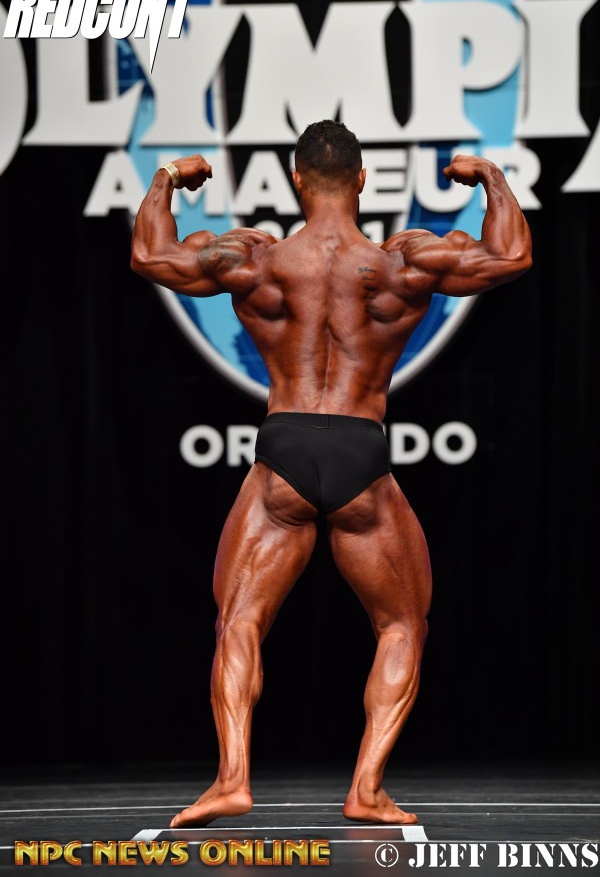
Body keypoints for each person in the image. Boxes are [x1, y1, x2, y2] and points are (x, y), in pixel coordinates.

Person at [131, 120, 532, 827]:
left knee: (238, 622)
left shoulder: (254, 258)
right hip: (361, 450)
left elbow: (149, 255)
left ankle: (231, 779)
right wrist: (490, 179)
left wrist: (167, 179)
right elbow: (512, 256)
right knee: (402, 624)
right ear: (362, 181)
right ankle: (367, 788)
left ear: (296, 180)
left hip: (283, 448)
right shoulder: (402, 263)